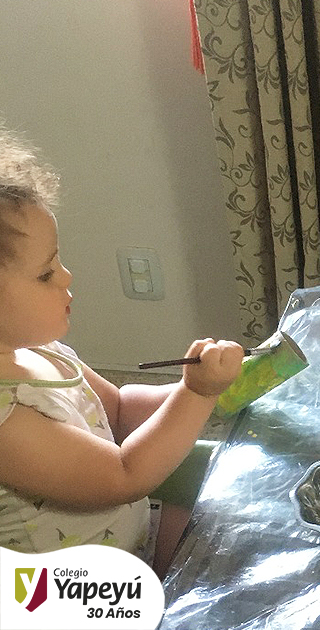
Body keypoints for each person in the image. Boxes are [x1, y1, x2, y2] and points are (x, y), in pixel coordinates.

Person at [0, 126, 245, 577]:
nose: (67, 276)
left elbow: (116, 408)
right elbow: (124, 476)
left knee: (231, 505)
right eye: (45, 274)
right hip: (82, 591)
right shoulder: (5, 421)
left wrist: (207, 389)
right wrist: (197, 395)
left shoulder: (39, 349)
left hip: (131, 538)